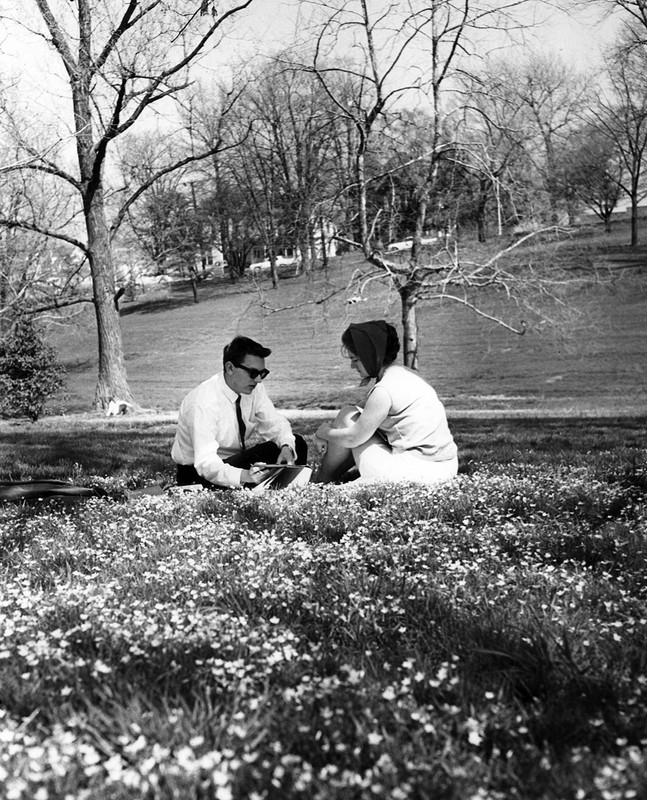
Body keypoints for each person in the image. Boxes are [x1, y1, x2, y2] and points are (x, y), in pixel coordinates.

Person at [315, 320, 458, 485]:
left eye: (355, 359)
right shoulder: (408, 375)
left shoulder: (384, 390)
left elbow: (353, 438)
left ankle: (321, 480)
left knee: (347, 415)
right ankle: (326, 478)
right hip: (447, 467)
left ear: (371, 355)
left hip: (414, 473)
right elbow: (366, 407)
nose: (352, 366)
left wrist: (324, 432)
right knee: (350, 414)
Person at [171, 335, 307, 489]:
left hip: (234, 462)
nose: (259, 380)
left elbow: (274, 423)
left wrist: (286, 447)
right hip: (198, 474)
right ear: (230, 368)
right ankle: (265, 486)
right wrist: (244, 475)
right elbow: (205, 463)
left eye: (263, 373)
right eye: (253, 373)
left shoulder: (254, 388)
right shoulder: (204, 401)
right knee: (267, 453)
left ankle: (280, 487)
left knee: (296, 443)